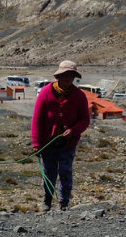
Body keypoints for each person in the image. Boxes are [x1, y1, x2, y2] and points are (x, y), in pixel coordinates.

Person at [30, 60, 91, 212]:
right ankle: (47, 200)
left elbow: (85, 119)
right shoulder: (45, 92)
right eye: (65, 75)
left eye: (71, 75)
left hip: (67, 144)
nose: (68, 78)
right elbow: (37, 120)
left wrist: (73, 130)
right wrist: (36, 144)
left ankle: (63, 203)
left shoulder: (79, 96)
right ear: (59, 76)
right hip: (47, 143)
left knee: (65, 172)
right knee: (49, 173)